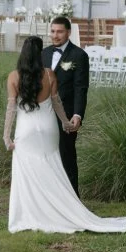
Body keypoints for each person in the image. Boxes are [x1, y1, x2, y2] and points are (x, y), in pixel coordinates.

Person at [3, 35, 126, 235]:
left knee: (27, 171)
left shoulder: (13, 77)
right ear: (40, 54)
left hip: (26, 130)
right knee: (52, 167)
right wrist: (66, 122)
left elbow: (11, 108)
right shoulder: (49, 75)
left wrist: (6, 136)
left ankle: (30, 214)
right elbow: (57, 103)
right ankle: (58, 210)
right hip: (49, 129)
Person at [40, 16, 89, 195]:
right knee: (45, 156)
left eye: (59, 31)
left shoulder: (79, 56)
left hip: (66, 115)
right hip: (43, 114)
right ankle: (49, 197)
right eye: (53, 31)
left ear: (68, 32)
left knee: (66, 156)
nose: (55, 35)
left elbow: (81, 88)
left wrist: (77, 114)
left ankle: (72, 200)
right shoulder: (43, 53)